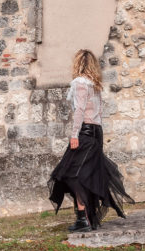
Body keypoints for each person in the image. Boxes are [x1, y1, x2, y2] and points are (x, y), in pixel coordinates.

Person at [48, 47, 134, 232]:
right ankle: (83, 217)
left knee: (71, 174)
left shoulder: (80, 83)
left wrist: (74, 135)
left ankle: (83, 218)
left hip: (85, 132)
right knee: (84, 174)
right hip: (96, 132)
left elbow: (79, 111)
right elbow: (98, 113)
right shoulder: (94, 85)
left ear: (77, 63)